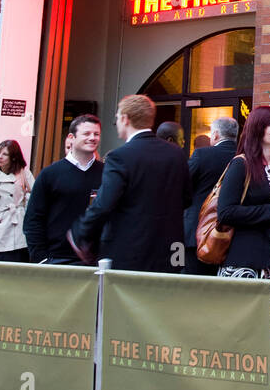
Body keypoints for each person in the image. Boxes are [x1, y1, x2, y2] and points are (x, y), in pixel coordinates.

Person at [67, 94, 190, 272]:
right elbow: (186, 199)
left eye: (117, 117)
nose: (116, 122)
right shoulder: (176, 154)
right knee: (166, 297)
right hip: (172, 249)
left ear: (125, 119)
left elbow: (104, 203)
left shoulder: (120, 157)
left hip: (131, 250)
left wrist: (80, 232)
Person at [216, 106, 270, 327]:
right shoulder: (241, 165)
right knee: (241, 327)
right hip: (246, 258)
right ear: (257, 128)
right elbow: (225, 212)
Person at [25, 115, 103, 264]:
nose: (92, 138)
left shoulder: (107, 174)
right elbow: (33, 219)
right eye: (86, 134)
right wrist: (41, 259)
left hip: (97, 261)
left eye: (96, 134)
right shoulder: (50, 174)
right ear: (71, 137)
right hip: (56, 259)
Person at [184, 116, 238, 275]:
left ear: (215, 135)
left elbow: (184, 184)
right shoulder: (243, 157)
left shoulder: (202, 154)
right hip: (232, 232)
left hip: (197, 229)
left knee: (191, 280)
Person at [0, 139, 34, 262]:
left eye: (5, 154)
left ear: (13, 157)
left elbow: (36, 195)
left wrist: (26, 199)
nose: (0, 157)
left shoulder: (23, 172)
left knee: (16, 262)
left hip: (17, 224)